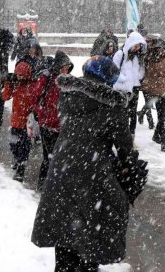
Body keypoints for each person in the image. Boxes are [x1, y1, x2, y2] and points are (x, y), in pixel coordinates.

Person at [31, 56, 134, 272]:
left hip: (63, 168)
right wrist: (126, 166)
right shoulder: (112, 104)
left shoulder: (68, 95)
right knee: (89, 236)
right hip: (93, 175)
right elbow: (124, 147)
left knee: (64, 232)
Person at [33, 51, 74, 192]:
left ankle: (54, 186)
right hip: (47, 125)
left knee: (59, 157)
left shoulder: (69, 81)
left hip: (62, 126)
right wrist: (41, 115)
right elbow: (35, 97)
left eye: (68, 67)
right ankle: (43, 185)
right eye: (63, 67)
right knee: (49, 157)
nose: (66, 70)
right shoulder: (47, 79)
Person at [1, 58, 35, 182]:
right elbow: (5, 96)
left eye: (22, 75)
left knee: (24, 148)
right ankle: (16, 158)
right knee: (14, 144)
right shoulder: (14, 83)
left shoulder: (32, 85)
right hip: (16, 121)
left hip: (27, 123)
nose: (20, 78)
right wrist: (8, 83)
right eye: (18, 75)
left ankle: (21, 170)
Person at [111, 31, 147, 137]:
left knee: (133, 114)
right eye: (135, 46)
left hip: (134, 88)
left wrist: (137, 78)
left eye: (139, 46)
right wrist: (125, 80)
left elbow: (141, 69)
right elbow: (113, 72)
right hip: (122, 89)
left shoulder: (138, 57)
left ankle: (131, 137)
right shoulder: (120, 55)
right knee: (123, 114)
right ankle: (123, 137)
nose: (137, 49)